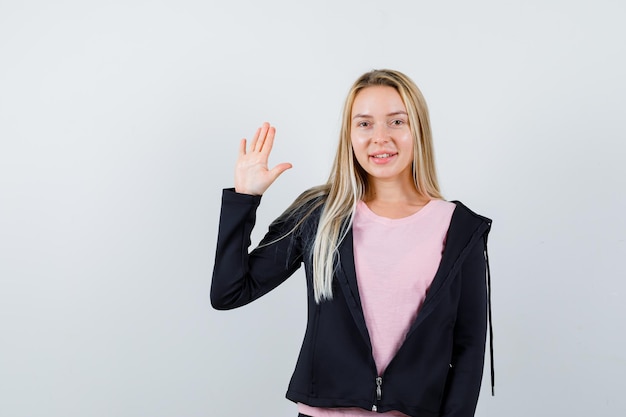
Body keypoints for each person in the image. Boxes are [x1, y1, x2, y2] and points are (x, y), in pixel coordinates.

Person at [211, 69, 493, 417]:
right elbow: (229, 292)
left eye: (396, 122)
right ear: (349, 135)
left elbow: (469, 350)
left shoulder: (459, 228)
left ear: (417, 129)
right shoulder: (318, 214)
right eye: (364, 124)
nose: (380, 138)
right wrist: (245, 198)